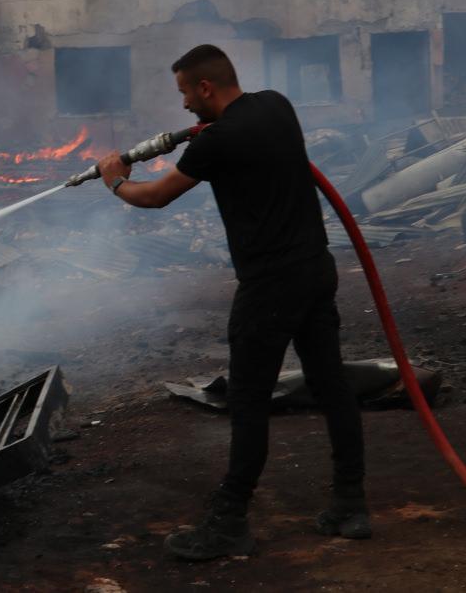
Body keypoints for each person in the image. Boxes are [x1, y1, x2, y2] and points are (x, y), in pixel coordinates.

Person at [97, 44, 368, 561]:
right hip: (315, 270)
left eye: (184, 94)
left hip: (269, 285)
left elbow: (154, 196)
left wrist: (116, 180)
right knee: (332, 385)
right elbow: (247, 149)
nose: (182, 107)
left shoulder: (217, 142)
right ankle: (351, 504)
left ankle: (229, 522)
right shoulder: (277, 105)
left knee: (247, 401)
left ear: (205, 88)